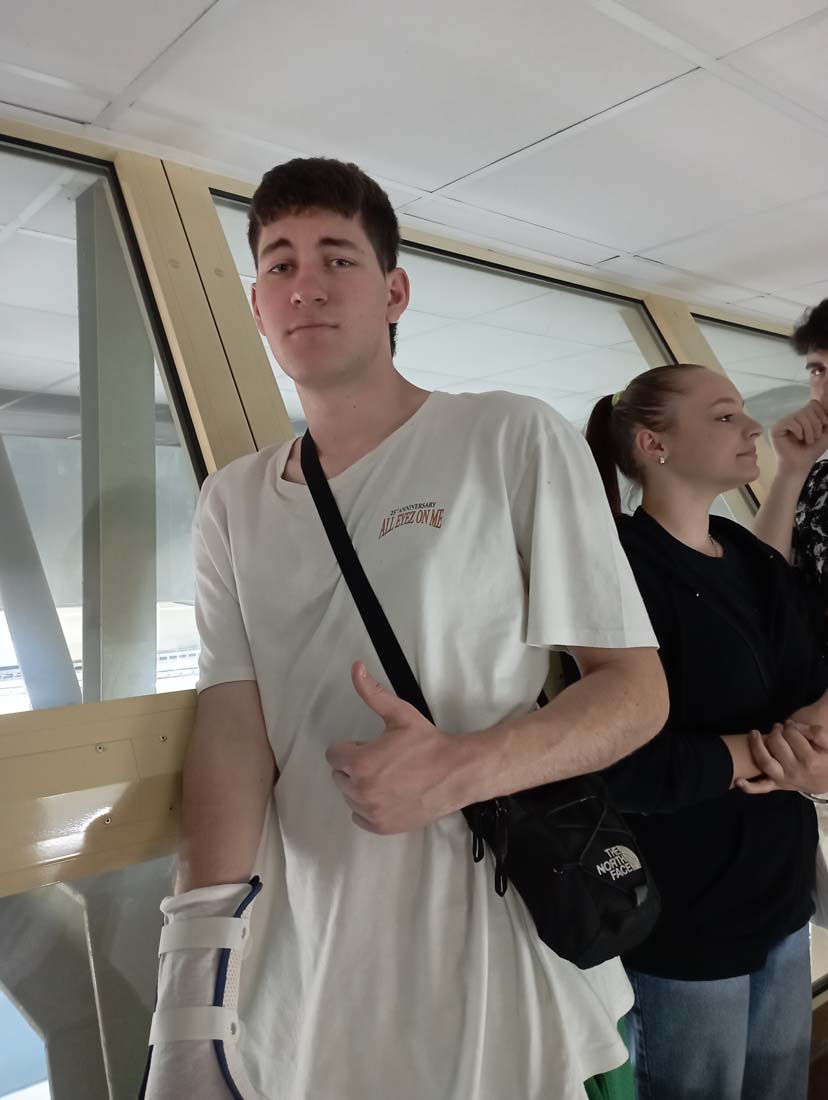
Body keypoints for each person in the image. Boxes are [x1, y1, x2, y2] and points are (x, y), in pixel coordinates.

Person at [139, 156, 669, 1100]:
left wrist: (463, 767)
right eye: (279, 263)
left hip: (490, 929)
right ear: (257, 306)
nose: (305, 285)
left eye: (337, 258)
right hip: (309, 952)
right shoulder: (231, 502)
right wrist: (195, 983)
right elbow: (232, 728)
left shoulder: (506, 437)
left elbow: (634, 690)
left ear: (394, 292)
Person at [585, 364, 828, 1100]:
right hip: (688, 906)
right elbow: (624, 764)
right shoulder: (619, 567)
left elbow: (812, 688)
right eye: (725, 416)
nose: (751, 426)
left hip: (780, 890)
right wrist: (761, 752)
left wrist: (810, 757)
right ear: (652, 444)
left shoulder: (746, 555)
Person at [753, 298, 828, 651]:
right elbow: (762, 582)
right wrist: (790, 473)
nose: (824, 391)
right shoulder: (819, 481)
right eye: (818, 370)